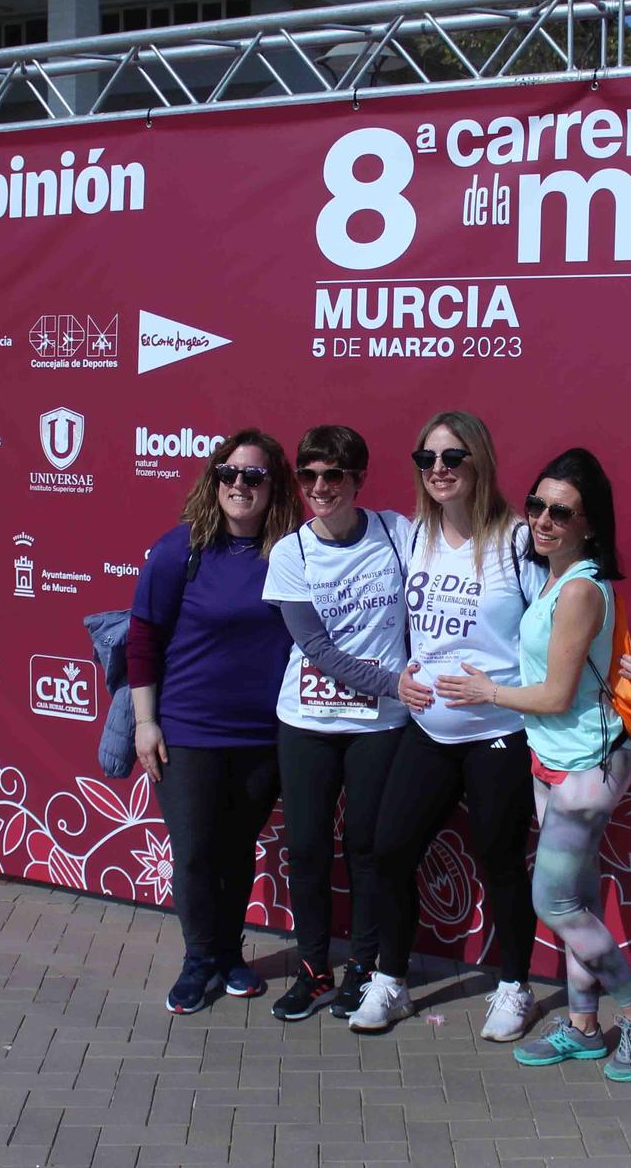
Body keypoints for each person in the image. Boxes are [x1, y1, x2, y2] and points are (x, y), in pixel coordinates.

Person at [435, 448, 631, 1082]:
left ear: (589, 523)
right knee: (578, 896)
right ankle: (582, 1026)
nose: (542, 520)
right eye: (537, 506)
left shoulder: (576, 588)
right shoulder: (551, 576)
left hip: (586, 767)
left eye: (560, 512)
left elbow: (554, 696)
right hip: (555, 760)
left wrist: (484, 691)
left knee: (553, 899)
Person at [348, 410, 544, 1041]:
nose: (438, 470)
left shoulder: (517, 540)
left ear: (479, 461)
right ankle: (392, 980)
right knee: (388, 849)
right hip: (428, 727)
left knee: (501, 861)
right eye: (426, 460)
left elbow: (562, 620)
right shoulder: (412, 536)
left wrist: (618, 658)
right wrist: (398, 673)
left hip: (498, 731)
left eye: (452, 458)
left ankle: (514, 987)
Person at [128, 429, 300, 1014]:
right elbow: (144, 639)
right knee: (197, 850)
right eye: (228, 473)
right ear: (213, 479)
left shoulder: (293, 552)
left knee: (236, 848)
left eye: (252, 476)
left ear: (272, 486)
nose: (238, 485)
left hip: (264, 735)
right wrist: (145, 722)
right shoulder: (182, 550)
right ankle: (199, 958)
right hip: (190, 730)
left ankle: (229, 954)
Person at [262, 425, 414, 1021]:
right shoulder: (291, 552)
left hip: (381, 724)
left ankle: (365, 970)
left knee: (369, 849)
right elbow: (317, 648)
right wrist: (393, 681)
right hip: (307, 721)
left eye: (334, 476)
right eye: (309, 476)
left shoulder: (397, 533)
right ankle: (313, 968)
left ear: (358, 480)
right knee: (305, 848)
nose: (320, 488)